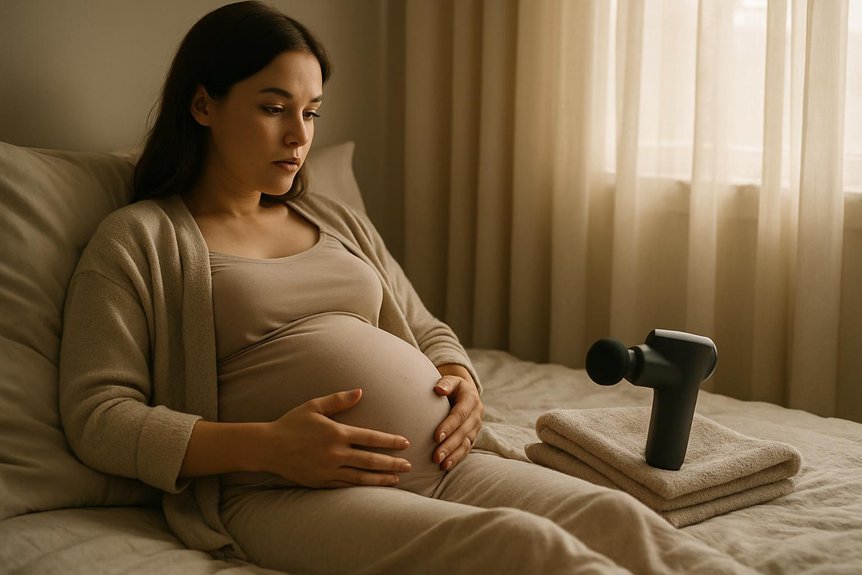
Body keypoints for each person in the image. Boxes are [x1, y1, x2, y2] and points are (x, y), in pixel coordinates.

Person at [59, 3, 752, 574]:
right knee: (524, 548)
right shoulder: (140, 240)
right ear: (203, 105)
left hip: (450, 462)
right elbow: (98, 417)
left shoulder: (331, 218)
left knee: (618, 517)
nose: (298, 136)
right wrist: (266, 446)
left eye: (312, 112)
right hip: (284, 491)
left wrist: (460, 379)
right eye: (274, 107)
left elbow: (426, 329)